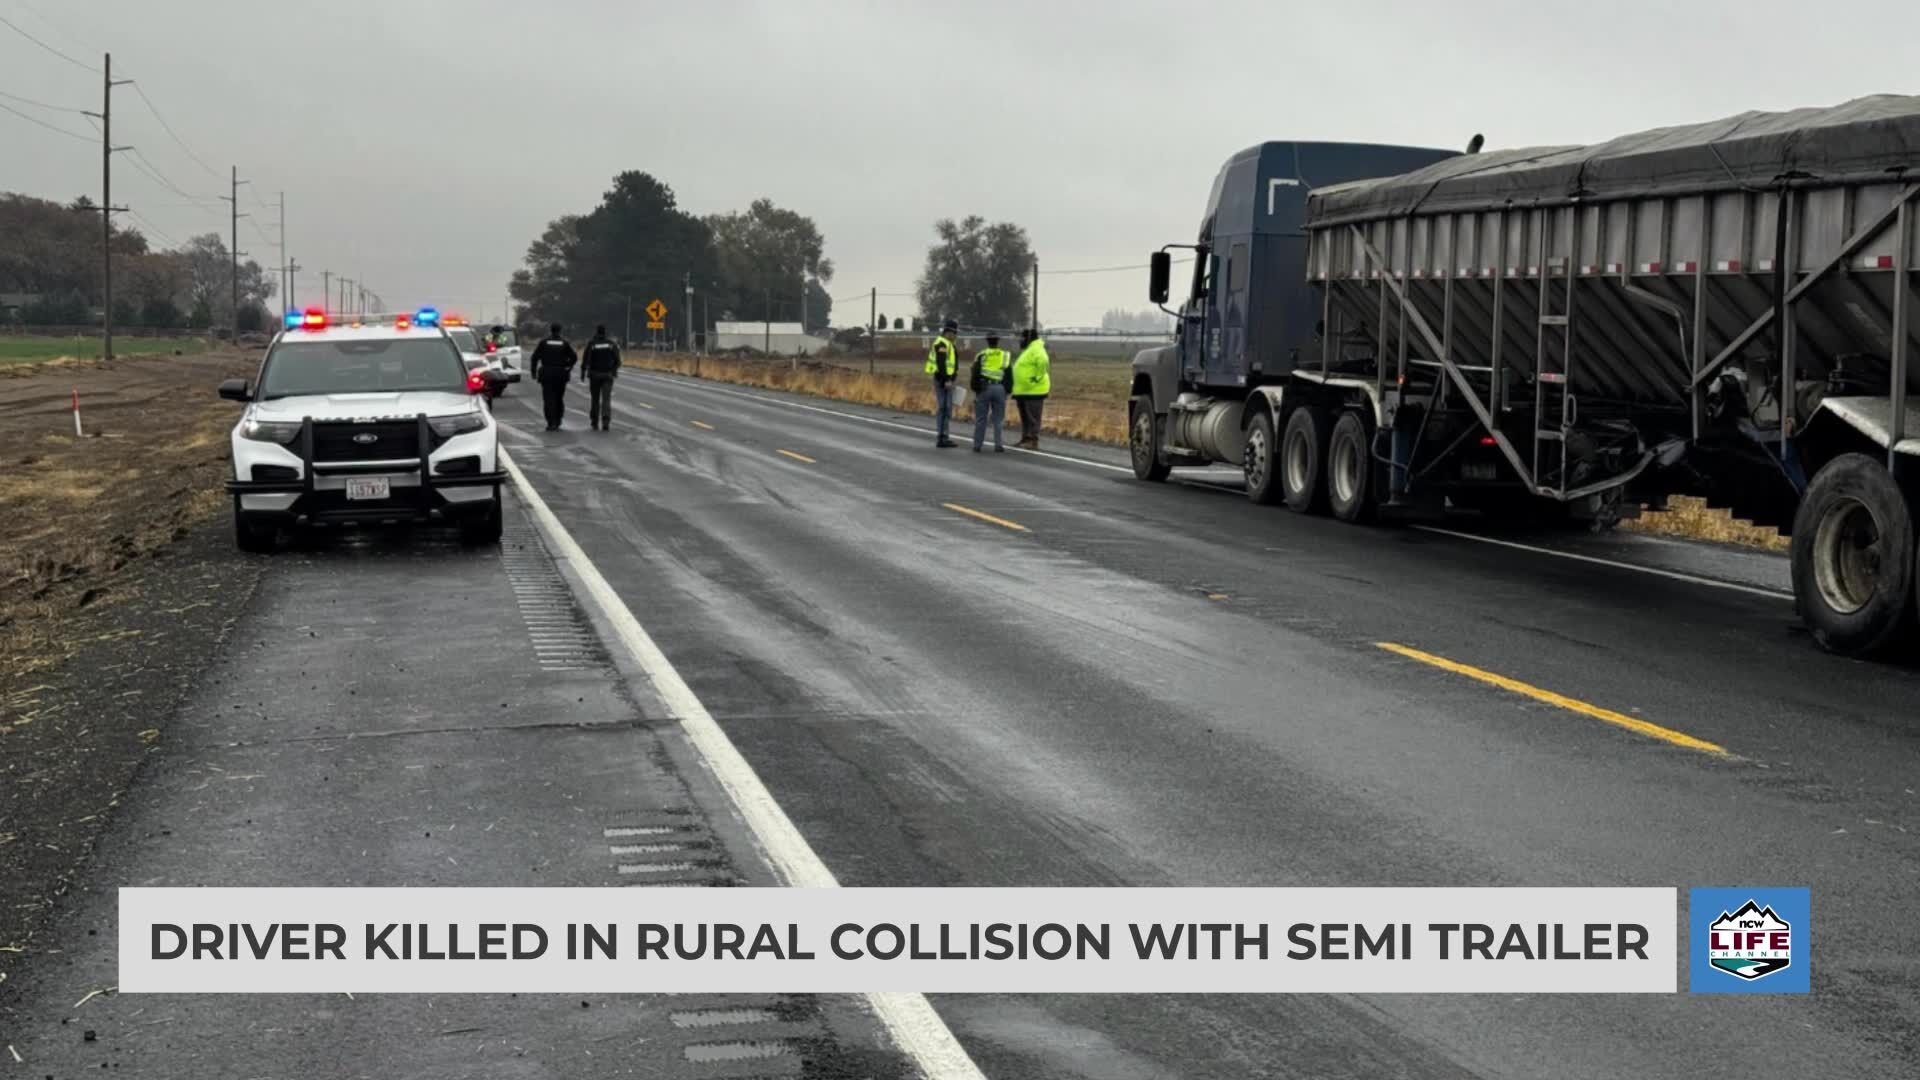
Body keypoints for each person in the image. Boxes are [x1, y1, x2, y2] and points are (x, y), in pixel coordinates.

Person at [528, 323, 578, 431]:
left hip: (546, 373)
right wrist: (567, 366)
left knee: (548, 399)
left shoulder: (544, 342)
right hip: (560, 374)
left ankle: (551, 422)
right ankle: (558, 419)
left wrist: (533, 372)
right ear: (560, 330)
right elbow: (574, 357)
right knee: (559, 398)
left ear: (550, 330)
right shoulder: (564, 343)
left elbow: (534, 357)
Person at [969, 332, 1012, 452]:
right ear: (998, 342)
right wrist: (1007, 390)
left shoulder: (981, 355)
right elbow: (1009, 373)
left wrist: (976, 388)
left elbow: (975, 372)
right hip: (999, 388)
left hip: (984, 388)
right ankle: (998, 445)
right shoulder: (1005, 355)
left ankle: (977, 445)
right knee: (998, 419)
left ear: (987, 341)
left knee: (981, 418)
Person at [1011, 328, 1051, 449]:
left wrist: (1035, 378)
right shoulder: (1029, 350)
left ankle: (1033, 440)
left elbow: (1043, 362)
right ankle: (1025, 438)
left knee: (1033, 417)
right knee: (1025, 417)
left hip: (1034, 390)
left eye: (1022, 338)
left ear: (1028, 338)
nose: (1020, 340)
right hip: (1023, 391)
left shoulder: (1037, 349)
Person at [925, 318, 960, 448]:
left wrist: (952, 377)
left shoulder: (948, 344)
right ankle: (942, 437)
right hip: (942, 380)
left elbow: (953, 364)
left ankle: (944, 436)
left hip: (947, 380)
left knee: (946, 408)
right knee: (944, 408)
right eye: (954, 333)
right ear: (948, 332)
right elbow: (941, 364)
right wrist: (947, 380)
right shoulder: (942, 344)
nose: (955, 336)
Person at [581, 324, 622, 430]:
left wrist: (583, 372)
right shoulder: (611, 344)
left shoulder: (592, 344)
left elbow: (585, 359)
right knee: (606, 399)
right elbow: (618, 361)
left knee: (595, 399)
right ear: (605, 332)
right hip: (607, 375)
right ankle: (605, 420)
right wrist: (613, 371)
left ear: (597, 332)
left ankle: (594, 421)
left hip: (594, 375)